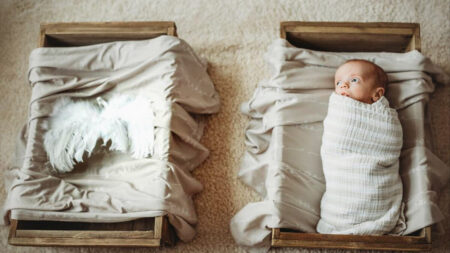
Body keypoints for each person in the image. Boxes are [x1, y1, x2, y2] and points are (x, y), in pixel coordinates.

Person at [316, 59, 406, 235]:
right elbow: (335, 141)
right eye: (339, 83)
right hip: (342, 182)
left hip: (373, 181)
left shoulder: (385, 120)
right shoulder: (339, 111)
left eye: (354, 80)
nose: (343, 86)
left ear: (377, 94)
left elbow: (391, 144)